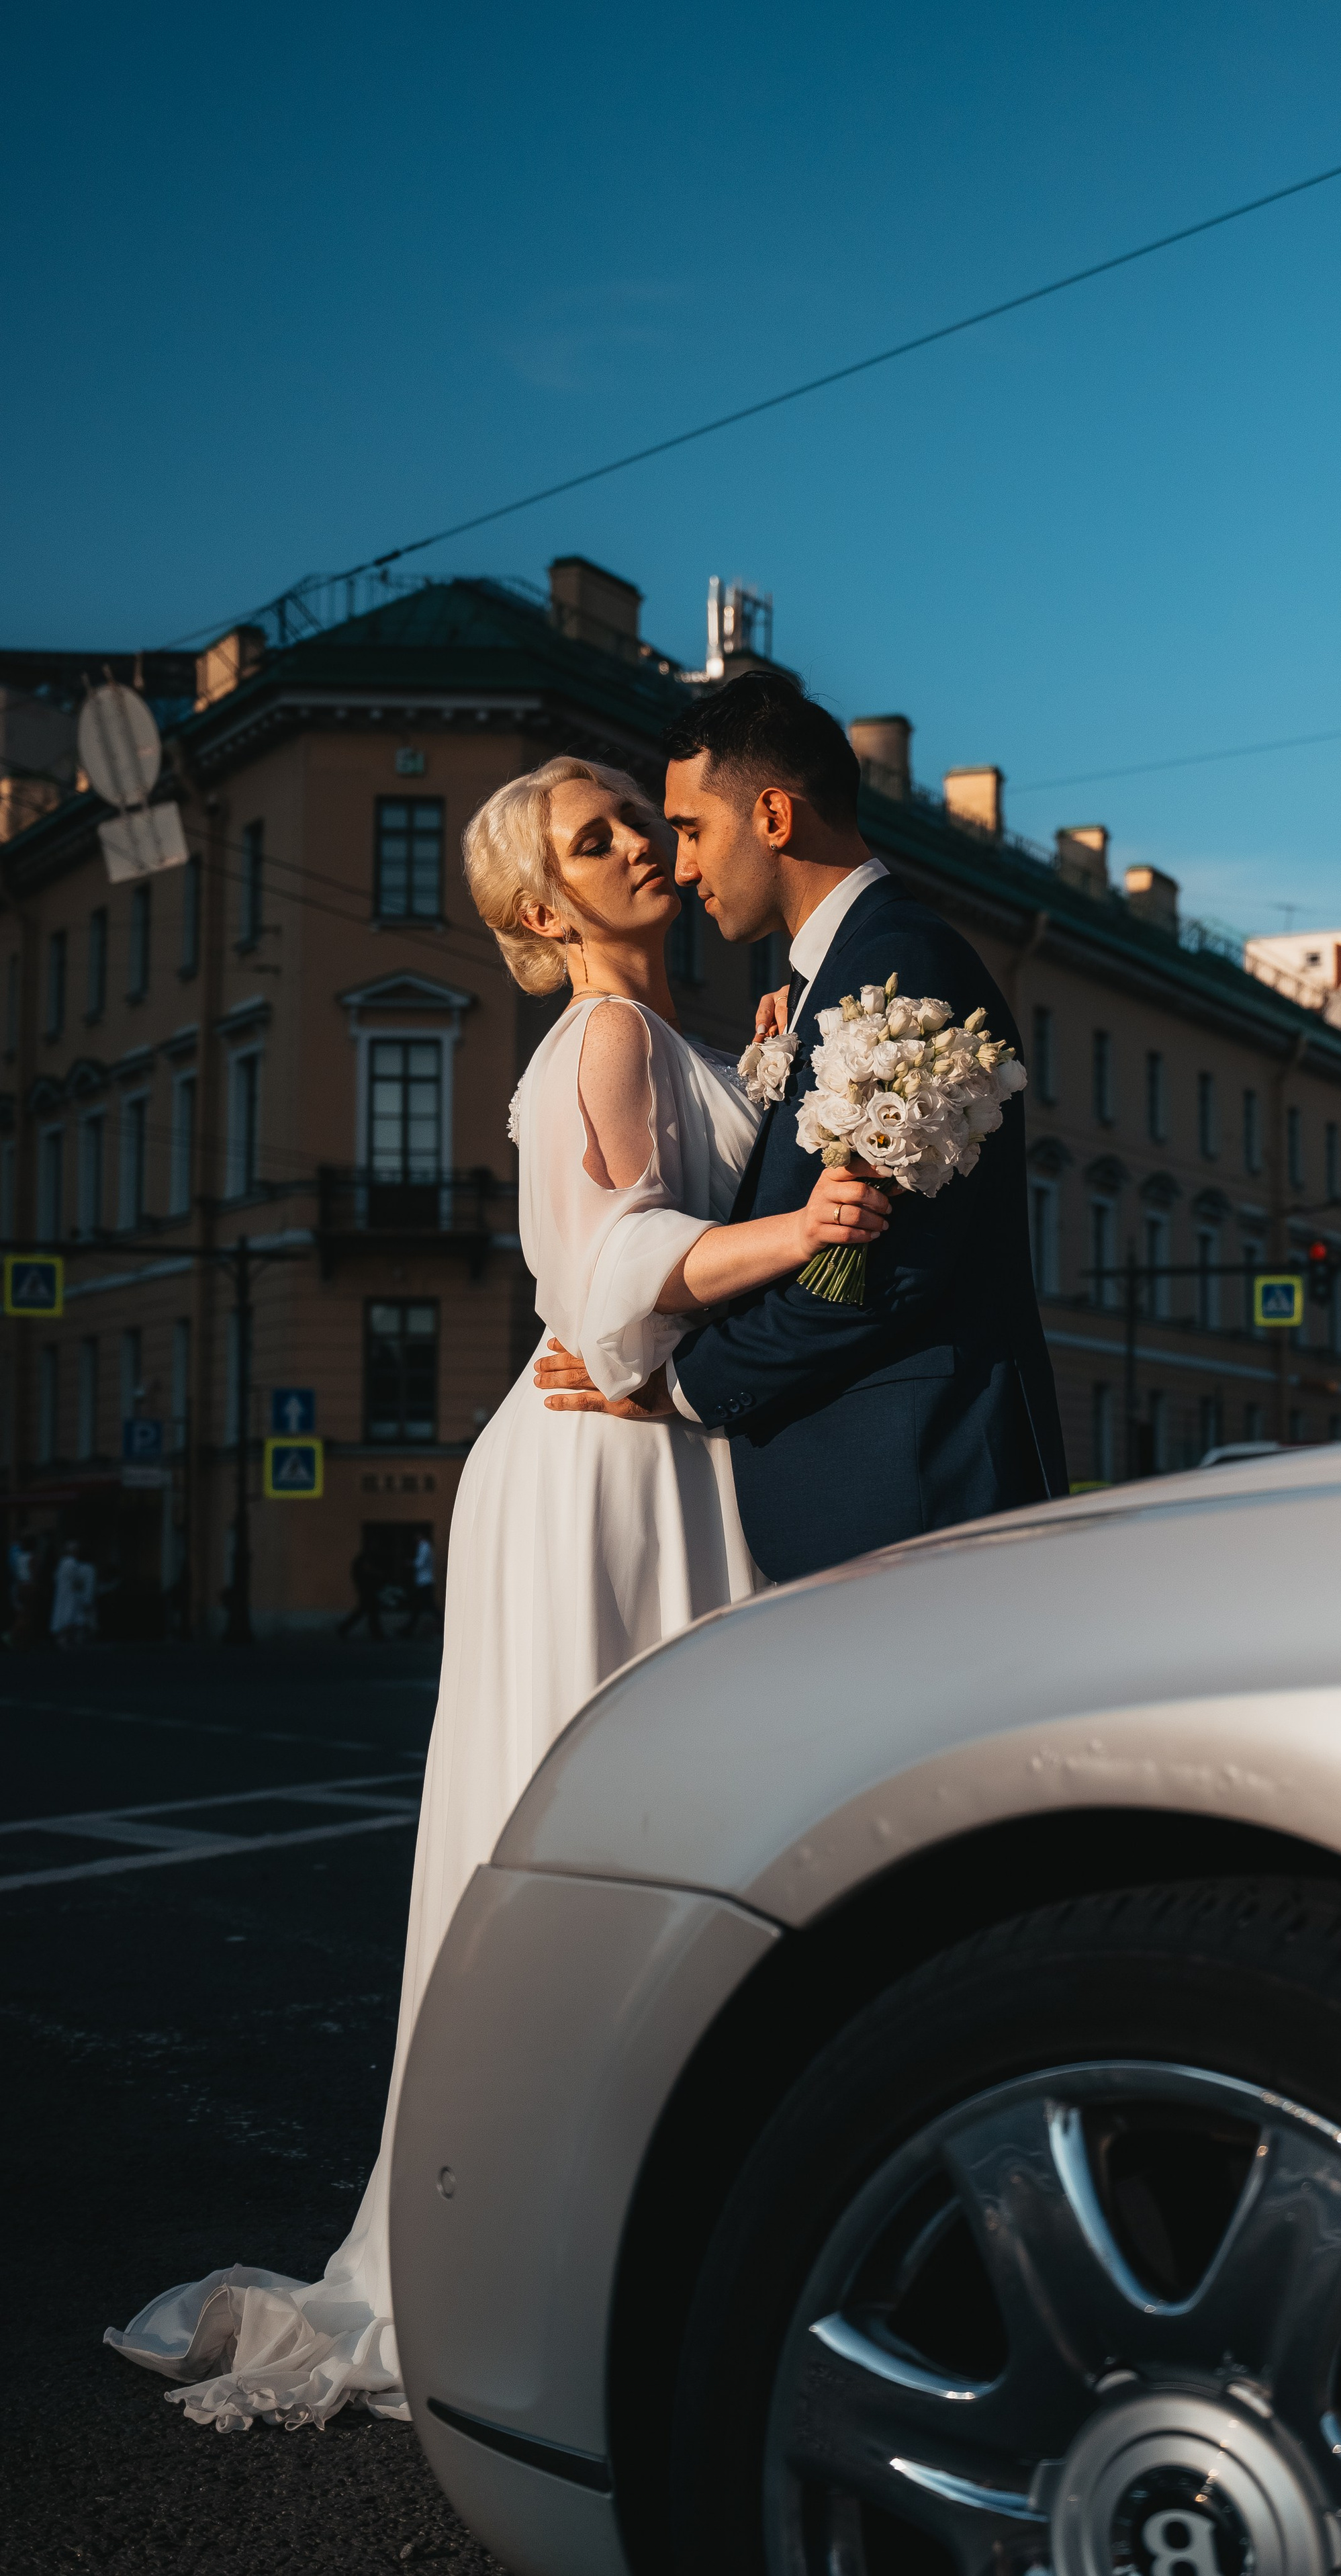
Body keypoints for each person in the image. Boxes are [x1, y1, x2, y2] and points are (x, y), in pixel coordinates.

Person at [105, 751, 887, 2430]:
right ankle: (538, 2246)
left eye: (632, 814)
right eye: (593, 839)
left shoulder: (680, 1029)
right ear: (542, 909)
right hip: (599, 1463)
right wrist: (808, 1222)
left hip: (657, 1443)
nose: (635, 844)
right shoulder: (599, 1033)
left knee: (646, 1830)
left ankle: (619, 2218)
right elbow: (602, 1270)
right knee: (595, 1842)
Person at [537, 671, 1067, 1578]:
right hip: (876, 1496)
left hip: (912, 1490)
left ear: (774, 817)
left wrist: (680, 1385)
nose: (684, 864)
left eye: (694, 829)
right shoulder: (839, 985)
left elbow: (870, 1271)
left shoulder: (899, 975)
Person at [49, 1540, 97, 1649]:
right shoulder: (72, 1563)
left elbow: (56, 1577)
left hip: (64, 1594)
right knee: (69, 1616)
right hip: (70, 1595)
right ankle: (65, 1639)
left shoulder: (63, 1562)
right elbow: (77, 1580)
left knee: (64, 1615)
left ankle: (64, 1639)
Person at [336, 1544, 387, 1642]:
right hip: (367, 1589)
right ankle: (376, 1633)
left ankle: (344, 1628)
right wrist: (378, 1575)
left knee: (367, 1611)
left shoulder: (362, 1559)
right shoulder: (364, 1560)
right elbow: (367, 1572)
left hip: (366, 1589)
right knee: (368, 1611)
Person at [400, 1532, 438, 1636]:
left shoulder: (425, 1546)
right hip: (424, 1582)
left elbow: (420, 1563)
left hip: (425, 1582)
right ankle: (408, 1630)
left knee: (426, 1607)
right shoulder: (425, 1546)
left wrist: (410, 1563)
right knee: (421, 1607)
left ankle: (408, 1630)